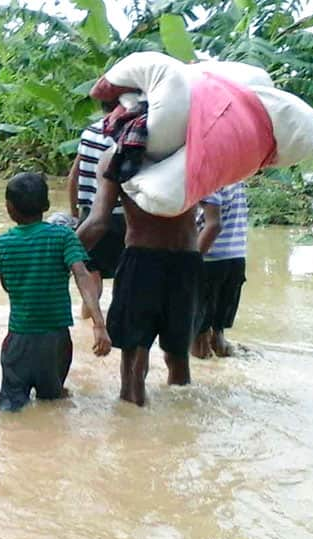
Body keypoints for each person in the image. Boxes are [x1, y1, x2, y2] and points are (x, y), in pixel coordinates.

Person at [77, 149, 201, 406]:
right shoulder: (192, 151)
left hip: (141, 260)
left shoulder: (116, 157)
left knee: (134, 356)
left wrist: (59, 253)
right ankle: (179, 433)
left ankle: (131, 421)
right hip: (186, 261)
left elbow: (98, 221)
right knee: (178, 357)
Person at [0, 173, 111, 411]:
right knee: (52, 403)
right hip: (56, 341)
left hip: (19, 338)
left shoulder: (2, 243)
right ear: (46, 206)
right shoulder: (64, 236)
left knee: (10, 406)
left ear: (9, 208)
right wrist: (99, 323)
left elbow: (7, 286)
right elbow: (82, 275)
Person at [67, 101, 124, 317]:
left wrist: (75, 213)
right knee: (123, 279)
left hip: (88, 215)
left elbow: (73, 176)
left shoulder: (89, 132)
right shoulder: (127, 134)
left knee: (90, 275)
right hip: (120, 216)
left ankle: (90, 326)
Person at [191, 181, 249, 359]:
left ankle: (204, 381)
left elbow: (213, 226)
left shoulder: (212, 180)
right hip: (236, 260)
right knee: (218, 332)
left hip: (210, 261)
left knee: (198, 335)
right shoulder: (238, 179)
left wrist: (190, 261)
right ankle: (222, 370)